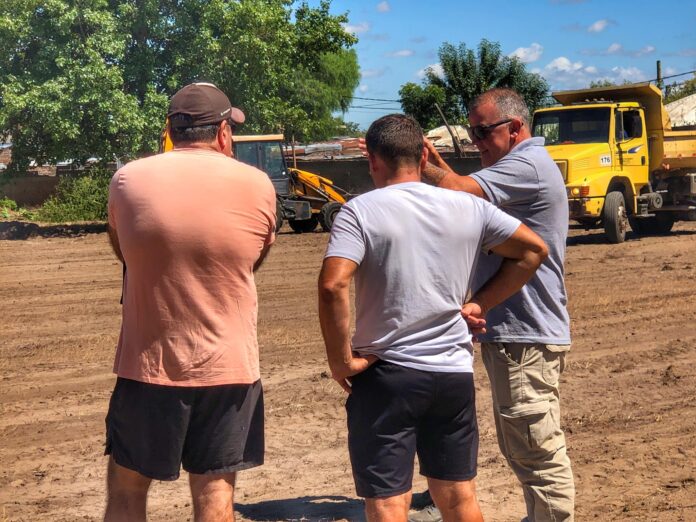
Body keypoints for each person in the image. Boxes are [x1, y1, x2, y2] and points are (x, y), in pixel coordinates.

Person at [318, 114, 549, 522]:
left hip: (386, 375)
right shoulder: (470, 207)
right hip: (453, 374)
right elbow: (533, 251)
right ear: (424, 154)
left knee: (389, 503)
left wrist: (340, 362)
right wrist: (480, 303)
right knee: (459, 497)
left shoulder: (359, 211)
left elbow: (333, 285)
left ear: (372, 159)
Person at [104, 82, 277, 522]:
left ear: (171, 129)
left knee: (126, 491)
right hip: (229, 367)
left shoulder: (128, 179)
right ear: (223, 133)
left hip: (148, 365)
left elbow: (123, 250)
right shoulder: (257, 184)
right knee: (216, 496)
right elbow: (253, 260)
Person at [411, 88, 574, 522]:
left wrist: (415, 160)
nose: (475, 140)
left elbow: (459, 190)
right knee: (524, 444)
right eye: (471, 131)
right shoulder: (521, 166)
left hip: (527, 331)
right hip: (519, 330)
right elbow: (464, 198)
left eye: (482, 131)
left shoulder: (526, 165)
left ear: (515, 128)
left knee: (536, 450)